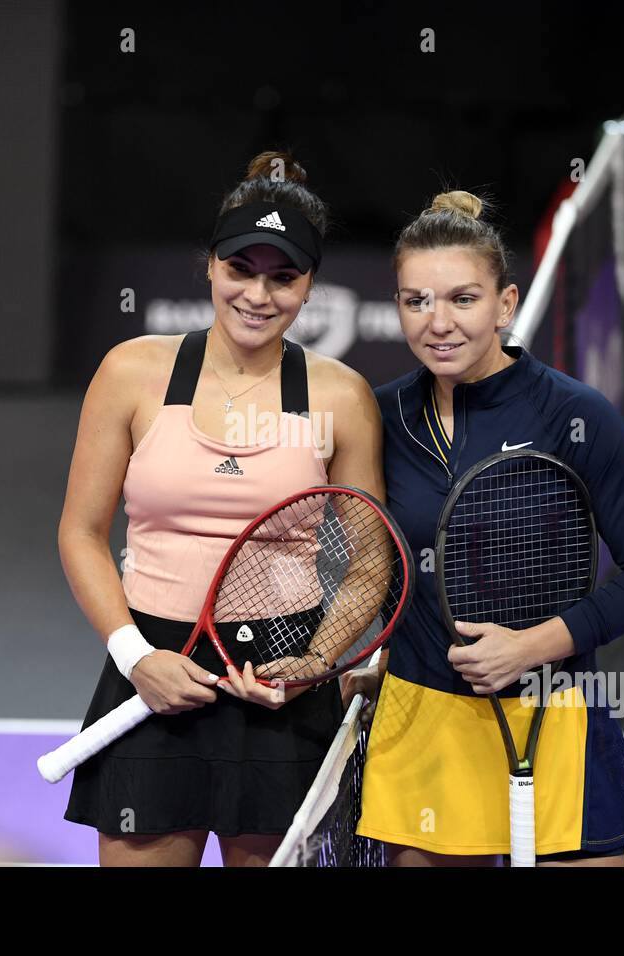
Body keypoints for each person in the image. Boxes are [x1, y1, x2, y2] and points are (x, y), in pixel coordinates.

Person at [59, 151, 384, 866]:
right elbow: (80, 532)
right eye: (241, 270)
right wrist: (136, 655)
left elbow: (371, 560)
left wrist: (318, 661)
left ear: (310, 286)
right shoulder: (130, 373)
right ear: (209, 265)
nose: (258, 295)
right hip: (152, 668)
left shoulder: (341, 396)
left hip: (282, 685)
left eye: (283, 277)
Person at [354, 190, 624, 866]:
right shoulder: (375, 419)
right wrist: (359, 650)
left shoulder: (574, 415)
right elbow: (364, 558)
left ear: (506, 304)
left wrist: (532, 647)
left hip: (556, 713)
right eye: (416, 301)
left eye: (462, 300)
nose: (437, 322)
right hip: (424, 723)